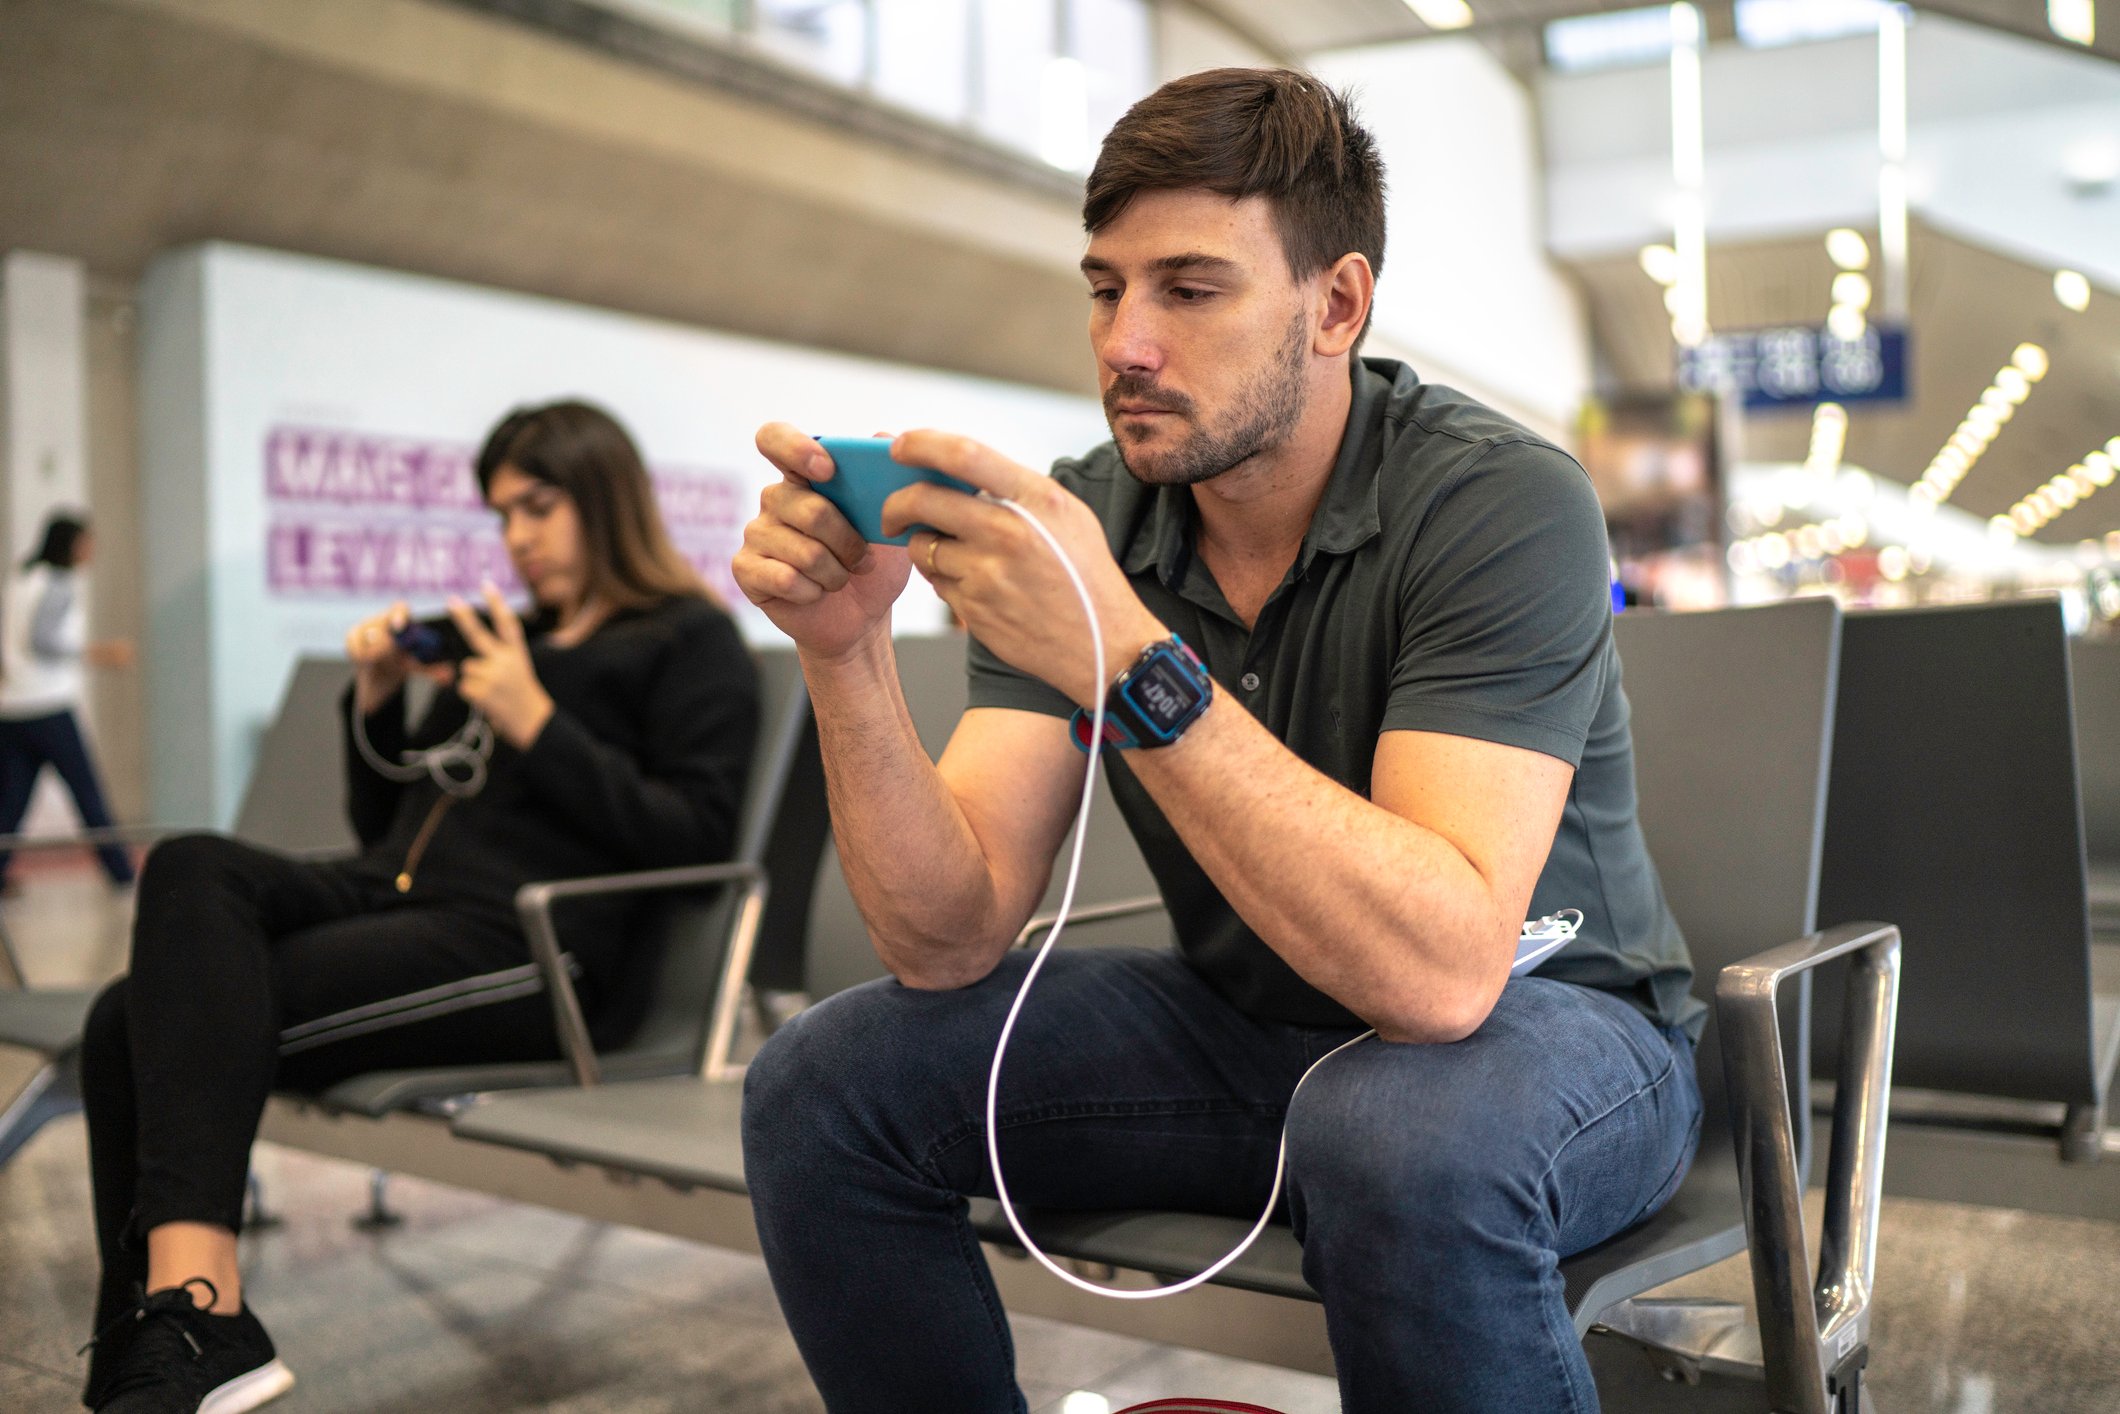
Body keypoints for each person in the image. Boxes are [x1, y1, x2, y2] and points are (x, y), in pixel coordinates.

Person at [735, 68, 1703, 1414]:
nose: (1126, 341)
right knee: (821, 1087)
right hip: (1257, 1033)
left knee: (1395, 1128)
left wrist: (1133, 662)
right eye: (1105, 287)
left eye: (1189, 290)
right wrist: (845, 650)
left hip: (1553, 1033)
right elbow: (945, 935)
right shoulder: (1089, 515)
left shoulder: (1502, 500)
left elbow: (1439, 976)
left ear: (1337, 306)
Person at [77, 401, 761, 1413]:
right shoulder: (506, 634)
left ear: (604, 498)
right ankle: (175, 1324)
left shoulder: (690, 642)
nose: (518, 536)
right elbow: (389, 817)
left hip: (530, 943)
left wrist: (536, 719)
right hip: (397, 891)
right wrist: (374, 699)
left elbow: (694, 841)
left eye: (539, 506)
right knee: (189, 864)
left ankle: (179, 1326)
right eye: (503, 514)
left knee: (129, 1020)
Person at [0, 513, 138, 890]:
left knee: (10, 801)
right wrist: (101, 654)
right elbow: (42, 640)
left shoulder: (21, 579)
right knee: (87, 792)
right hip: (48, 706)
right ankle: (122, 872)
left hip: (13, 707)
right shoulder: (59, 584)